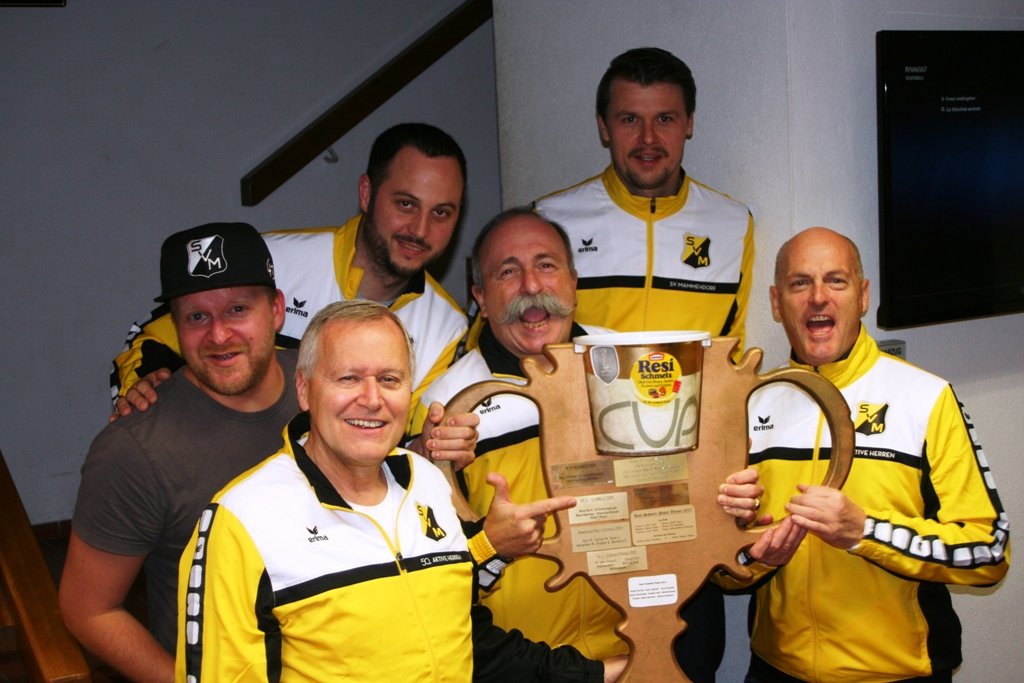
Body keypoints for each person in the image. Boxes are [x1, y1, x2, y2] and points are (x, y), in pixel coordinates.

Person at [60, 222, 477, 683]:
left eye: (238, 309)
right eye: (196, 317)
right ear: (174, 326)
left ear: (277, 309)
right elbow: (89, 610)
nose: (219, 335)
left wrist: (423, 451)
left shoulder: (335, 383)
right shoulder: (135, 448)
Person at [177, 300, 626, 682]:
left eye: (390, 379)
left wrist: (606, 673)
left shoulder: (427, 481)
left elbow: (469, 640)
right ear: (305, 389)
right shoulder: (243, 518)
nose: (372, 399)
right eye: (348, 378)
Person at [533, 46, 755, 680]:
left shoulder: (732, 223)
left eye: (666, 118)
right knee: (593, 660)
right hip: (588, 498)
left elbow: (732, 372)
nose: (649, 138)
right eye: (630, 119)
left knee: (691, 659)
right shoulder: (552, 219)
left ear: (690, 124)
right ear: (603, 126)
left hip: (687, 499)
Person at [716, 227, 1010, 682]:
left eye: (836, 280)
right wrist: (752, 557)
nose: (818, 297)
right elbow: (717, 567)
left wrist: (865, 531)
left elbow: (988, 551)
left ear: (864, 295)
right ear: (776, 302)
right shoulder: (747, 404)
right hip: (775, 670)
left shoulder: (927, 398)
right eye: (800, 283)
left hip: (897, 674)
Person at [110, 123, 470, 428]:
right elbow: (152, 337)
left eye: (441, 212)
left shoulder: (448, 328)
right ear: (366, 193)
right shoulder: (270, 260)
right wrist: (145, 380)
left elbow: (409, 444)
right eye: (406, 204)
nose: (420, 229)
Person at [415, 208, 629, 664]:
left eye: (546, 265)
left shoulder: (633, 362)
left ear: (573, 280)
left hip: (638, 646)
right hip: (523, 662)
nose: (531, 285)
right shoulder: (444, 405)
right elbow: (430, 562)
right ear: (480, 295)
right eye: (508, 272)